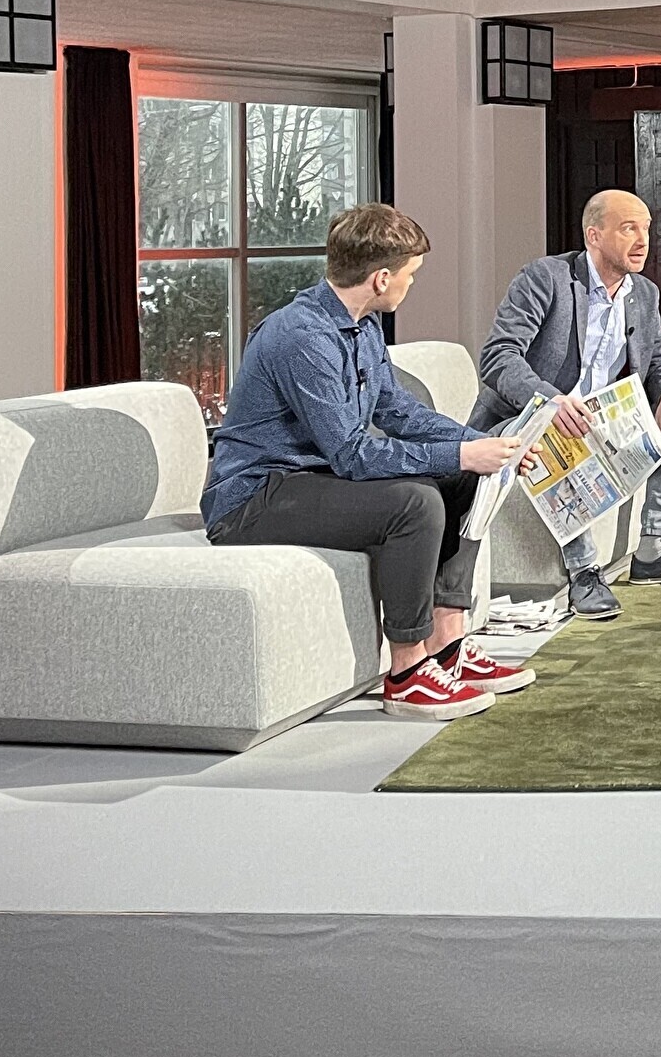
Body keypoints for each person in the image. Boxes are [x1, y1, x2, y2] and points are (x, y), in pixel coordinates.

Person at [201, 203, 544, 721]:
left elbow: (397, 410)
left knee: (466, 479)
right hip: (254, 498)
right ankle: (406, 674)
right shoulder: (302, 337)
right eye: (410, 274)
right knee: (414, 502)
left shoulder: (363, 327)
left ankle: (447, 646)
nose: (412, 282)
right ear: (382, 278)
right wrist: (462, 451)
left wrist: (486, 447)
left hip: (313, 478)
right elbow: (352, 454)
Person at [472, 188, 661, 618]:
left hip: (598, 416)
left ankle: (656, 546)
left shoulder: (644, 293)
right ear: (594, 236)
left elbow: (657, 355)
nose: (643, 240)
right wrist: (551, 401)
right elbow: (499, 356)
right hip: (527, 417)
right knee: (558, 427)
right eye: (629, 228)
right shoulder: (545, 278)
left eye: (646, 229)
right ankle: (583, 573)